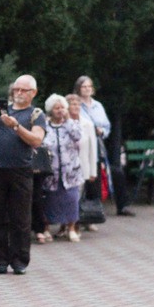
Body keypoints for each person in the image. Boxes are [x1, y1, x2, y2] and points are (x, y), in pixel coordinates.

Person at [0, 74, 46, 274]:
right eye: (16, 89)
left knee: (20, 218)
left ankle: (19, 261)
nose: (19, 93)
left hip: (20, 171)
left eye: (23, 90)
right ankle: (0, 260)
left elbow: (36, 140)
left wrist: (15, 126)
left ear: (33, 93)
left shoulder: (36, 114)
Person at [74, 76, 135, 220]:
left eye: (90, 86)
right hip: (83, 147)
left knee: (116, 172)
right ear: (78, 89)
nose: (88, 89)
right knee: (90, 178)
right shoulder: (75, 104)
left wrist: (102, 131)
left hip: (99, 146)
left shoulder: (98, 105)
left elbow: (107, 125)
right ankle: (87, 212)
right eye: (84, 86)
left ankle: (122, 205)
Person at [42, 94, 83, 241]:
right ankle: (46, 229)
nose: (60, 110)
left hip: (70, 171)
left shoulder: (72, 124)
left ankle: (71, 229)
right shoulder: (45, 126)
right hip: (51, 172)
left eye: (62, 108)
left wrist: (67, 121)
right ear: (50, 110)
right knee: (49, 200)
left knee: (71, 199)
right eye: (56, 108)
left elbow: (78, 136)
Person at [66, 93, 98, 234]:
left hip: (82, 166)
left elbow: (93, 149)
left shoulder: (87, 124)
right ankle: (64, 225)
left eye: (78, 104)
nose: (76, 107)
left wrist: (93, 171)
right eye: (73, 104)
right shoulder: (62, 123)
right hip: (65, 167)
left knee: (77, 197)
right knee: (64, 197)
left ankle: (74, 226)